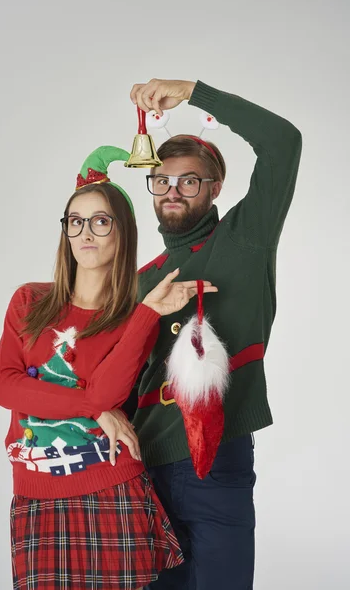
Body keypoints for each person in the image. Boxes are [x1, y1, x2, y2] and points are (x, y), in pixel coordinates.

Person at [0, 145, 218, 590]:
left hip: (111, 489)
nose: (86, 232)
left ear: (122, 232)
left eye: (100, 220)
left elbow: (107, 394)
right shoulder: (28, 302)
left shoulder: (131, 320)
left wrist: (148, 313)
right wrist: (94, 410)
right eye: (75, 221)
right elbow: (4, 387)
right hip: (36, 495)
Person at [129, 79, 302, 590]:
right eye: (161, 181)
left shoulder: (246, 238)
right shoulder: (140, 278)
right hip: (143, 466)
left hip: (216, 459)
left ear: (215, 187)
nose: (173, 191)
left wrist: (194, 92)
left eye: (189, 181)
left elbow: (283, 142)